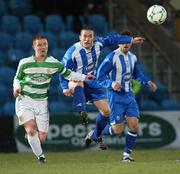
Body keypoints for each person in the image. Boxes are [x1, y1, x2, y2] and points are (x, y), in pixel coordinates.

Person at [59, 27, 145, 149]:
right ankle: (81, 110)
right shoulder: (72, 52)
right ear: (80, 37)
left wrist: (130, 39)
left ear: (94, 38)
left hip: (91, 81)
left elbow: (112, 39)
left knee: (107, 111)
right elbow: (62, 70)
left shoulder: (98, 44)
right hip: (75, 79)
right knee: (79, 82)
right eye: (84, 36)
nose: (87, 39)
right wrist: (64, 87)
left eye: (90, 36)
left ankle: (96, 135)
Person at [13, 35, 94, 164]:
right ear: (34, 47)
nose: (43, 47)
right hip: (25, 99)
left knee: (42, 138)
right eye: (39, 45)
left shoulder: (53, 62)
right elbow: (17, 78)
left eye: (45, 44)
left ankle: (30, 136)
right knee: (31, 129)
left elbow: (68, 74)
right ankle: (41, 157)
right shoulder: (25, 62)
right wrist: (16, 88)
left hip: (41, 102)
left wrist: (85, 77)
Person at [95, 30, 157, 161]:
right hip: (115, 96)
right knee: (118, 130)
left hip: (129, 96)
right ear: (118, 43)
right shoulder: (112, 57)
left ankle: (126, 155)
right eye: (122, 41)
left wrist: (147, 81)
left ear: (131, 43)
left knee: (134, 125)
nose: (125, 44)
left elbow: (137, 74)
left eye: (128, 41)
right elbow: (99, 76)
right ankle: (96, 133)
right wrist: (111, 83)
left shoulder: (133, 58)